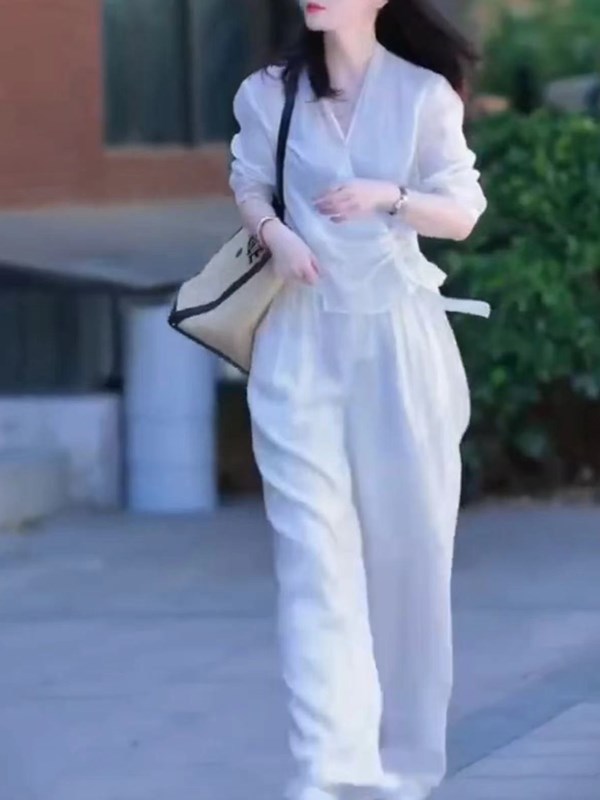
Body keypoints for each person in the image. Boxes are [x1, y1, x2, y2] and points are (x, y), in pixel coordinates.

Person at [229, 1, 489, 798]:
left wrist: (389, 196)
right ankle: (329, 772)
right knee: (312, 559)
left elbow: (462, 213)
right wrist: (278, 236)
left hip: (399, 345)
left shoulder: (422, 95)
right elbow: (249, 182)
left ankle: (405, 767)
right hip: (299, 342)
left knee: (411, 562)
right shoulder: (267, 93)